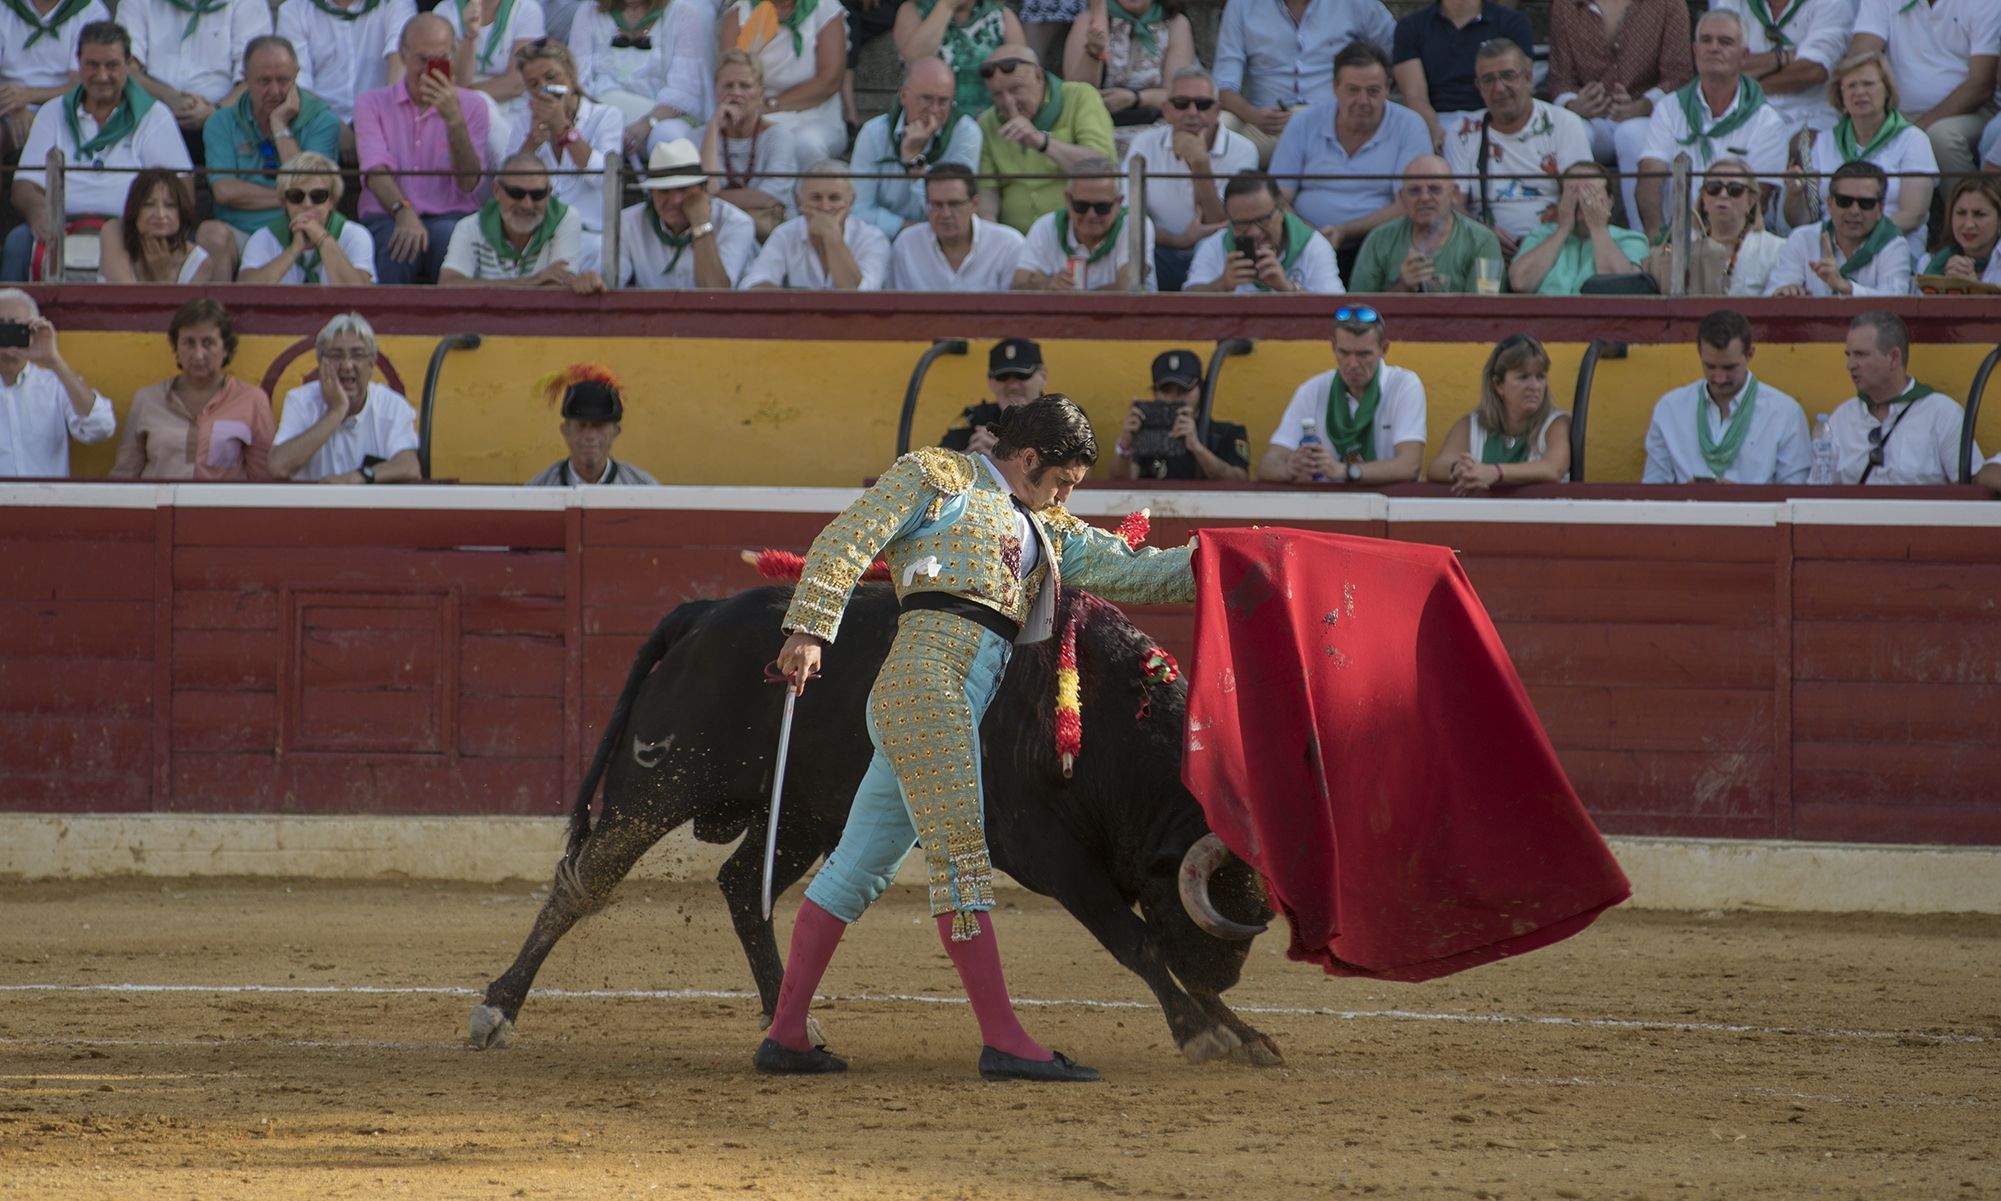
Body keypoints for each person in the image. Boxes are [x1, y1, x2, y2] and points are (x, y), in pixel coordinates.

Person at [761, 394, 1197, 1082]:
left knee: (856, 868)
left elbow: (1137, 570)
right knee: (961, 861)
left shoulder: (1047, 527)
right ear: (1029, 458)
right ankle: (1004, 1040)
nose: (1065, 496)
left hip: (947, 698)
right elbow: (849, 536)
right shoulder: (941, 477)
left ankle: (786, 1033)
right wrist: (810, 627)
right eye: (1061, 481)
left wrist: (1226, 560)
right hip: (927, 687)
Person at [4, 21, 194, 282]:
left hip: (132, 230)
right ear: (79, 63)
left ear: (128, 64)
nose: (102, 75)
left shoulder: (154, 115)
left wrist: (148, 222)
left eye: (112, 65)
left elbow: (182, 187)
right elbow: (24, 185)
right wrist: (39, 212)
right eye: (92, 65)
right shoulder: (52, 112)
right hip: (61, 226)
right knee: (17, 243)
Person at [1269, 40, 1430, 278]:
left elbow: (1408, 202)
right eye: (1353, 90)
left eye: (1373, 91)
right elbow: (1278, 197)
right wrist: (1310, 236)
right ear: (1335, 87)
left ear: (1388, 88)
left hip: (1381, 243)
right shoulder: (1303, 123)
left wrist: (1344, 231)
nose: (1363, 101)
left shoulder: (1410, 126)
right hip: (1303, 239)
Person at [355, 14, 489, 285]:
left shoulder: (473, 105)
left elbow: (469, 183)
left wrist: (454, 121)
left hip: (451, 215)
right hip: (389, 213)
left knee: (451, 239)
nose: (430, 70)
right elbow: (376, 171)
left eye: (440, 60)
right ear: (403, 54)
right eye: (423, 60)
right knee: (396, 246)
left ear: (453, 55)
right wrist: (402, 210)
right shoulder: (371, 103)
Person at [1634, 10, 1790, 241]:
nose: (1714, 48)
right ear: (1695, 51)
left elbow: (1759, 199)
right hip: (1675, 240)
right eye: (1706, 40)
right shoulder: (1669, 107)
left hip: (1738, 241)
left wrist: (1716, 246)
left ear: (1744, 56)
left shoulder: (1767, 121)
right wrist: (1656, 239)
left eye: (1725, 42)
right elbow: (1649, 179)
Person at [1545, 0, 1691, 225]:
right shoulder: (1566, 5)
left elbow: (1679, 76)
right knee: (1573, 129)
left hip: (1647, 118)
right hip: (1591, 120)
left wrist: (1644, 105)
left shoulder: (1669, 4)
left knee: (1631, 134)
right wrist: (1574, 104)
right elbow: (1559, 79)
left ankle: (1642, 238)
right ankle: (1581, 230)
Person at [1441, 36, 1592, 252]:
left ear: (1528, 77)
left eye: (1508, 76)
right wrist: (1483, 235)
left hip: (1556, 248)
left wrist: (1544, 243)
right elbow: (1454, 204)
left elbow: (1582, 197)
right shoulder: (1461, 132)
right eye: (1488, 80)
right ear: (1479, 87)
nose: (1499, 88)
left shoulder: (1564, 123)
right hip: (1483, 249)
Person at [1785, 50, 1936, 260]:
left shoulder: (1912, 140)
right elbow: (1803, 220)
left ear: (1887, 90)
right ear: (1841, 97)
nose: (1859, 92)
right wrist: (1794, 195)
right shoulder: (1824, 142)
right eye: (1851, 86)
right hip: (1831, 250)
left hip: (1891, 248)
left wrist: (1855, 238)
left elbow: (1914, 215)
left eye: (1868, 84)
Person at [1123, 67, 1258, 292]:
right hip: (1159, 249)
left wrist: (1200, 164)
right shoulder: (1144, 143)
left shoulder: (1243, 150)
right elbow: (1129, 216)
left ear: (1217, 110)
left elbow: (1222, 223)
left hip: (1216, 253)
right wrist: (1179, 240)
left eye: (1203, 104)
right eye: (1181, 104)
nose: (1192, 112)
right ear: (1166, 110)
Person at [202, 35, 344, 249]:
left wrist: (279, 126)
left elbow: (310, 189)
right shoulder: (220, 122)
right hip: (241, 234)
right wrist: (289, 198)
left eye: (283, 80)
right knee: (211, 234)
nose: (275, 91)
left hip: (301, 232)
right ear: (245, 79)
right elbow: (224, 191)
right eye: (264, 81)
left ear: (296, 75)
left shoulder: (322, 121)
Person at [1212, 0, 1394, 165]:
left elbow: (1397, 51)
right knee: (1216, 127)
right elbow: (1224, 85)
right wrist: (1253, 115)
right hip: (1266, 125)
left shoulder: (1357, 4)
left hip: (1334, 118)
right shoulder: (1242, 5)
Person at [1258, 306, 1425, 486]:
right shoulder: (1312, 389)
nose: (1352, 364)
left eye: (1363, 354)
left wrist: (1344, 471)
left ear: (1384, 349)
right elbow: (1268, 464)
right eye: (1344, 353)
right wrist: (1290, 469)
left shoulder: (1403, 385)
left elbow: (1410, 466)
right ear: (1333, 347)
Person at [111, 298, 274, 481]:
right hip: (158, 500)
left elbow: (264, 479)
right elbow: (125, 473)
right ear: (176, 349)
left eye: (208, 343)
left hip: (222, 500)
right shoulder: (147, 399)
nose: (198, 354)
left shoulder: (252, 400)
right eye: (189, 343)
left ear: (226, 349)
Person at [1641, 309, 1810, 485]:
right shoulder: (1669, 409)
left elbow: (1795, 493)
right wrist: (1684, 495)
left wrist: (1742, 497)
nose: (1719, 378)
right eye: (1710, 367)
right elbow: (1653, 488)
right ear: (1699, 352)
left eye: (1729, 368)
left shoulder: (1785, 414)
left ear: (1750, 354)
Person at [1847, 0, 1999, 183]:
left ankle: (1965, 199)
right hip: (1898, 111)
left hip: (1971, 112)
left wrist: (1914, 130)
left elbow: (1981, 84)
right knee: (1857, 124)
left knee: (1942, 137)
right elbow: (1861, 56)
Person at [1825, 309, 1978, 486]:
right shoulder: (1841, 418)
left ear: (1894, 357)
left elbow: (1969, 489)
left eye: (1860, 354)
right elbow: (1820, 492)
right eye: (1849, 355)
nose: (1850, 365)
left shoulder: (1942, 414)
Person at [975, 45, 1116, 233]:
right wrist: (992, 238)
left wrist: (1042, 142)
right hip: (1016, 240)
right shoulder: (987, 122)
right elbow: (987, 194)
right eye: (997, 94)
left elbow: (1103, 168)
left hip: (1074, 235)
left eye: (1015, 89)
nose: (1008, 102)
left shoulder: (1079, 97)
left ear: (1039, 76)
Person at [270, 313, 422, 484]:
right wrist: (336, 412)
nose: (347, 365)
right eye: (336, 356)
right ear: (321, 363)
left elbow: (409, 467)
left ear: (371, 364)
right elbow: (278, 466)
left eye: (357, 355)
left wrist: (357, 477)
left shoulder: (392, 405)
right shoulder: (300, 401)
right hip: (313, 501)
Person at [512, 38, 623, 273]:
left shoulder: (606, 116)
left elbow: (604, 179)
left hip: (590, 236)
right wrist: (532, 142)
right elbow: (507, 183)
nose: (544, 88)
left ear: (571, 74)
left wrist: (563, 128)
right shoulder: (524, 121)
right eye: (534, 84)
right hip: (537, 234)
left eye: (551, 77)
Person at [851, 57, 983, 239]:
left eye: (943, 101)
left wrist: (915, 161)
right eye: (926, 99)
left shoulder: (966, 133)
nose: (934, 110)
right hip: (882, 237)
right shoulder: (874, 133)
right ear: (904, 96)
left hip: (942, 239)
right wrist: (911, 232)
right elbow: (859, 209)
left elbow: (953, 206)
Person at [1425, 333, 1570, 495]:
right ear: (1498, 385)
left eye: (1540, 377)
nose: (1535, 386)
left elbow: (1552, 469)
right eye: (1523, 377)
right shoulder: (1471, 425)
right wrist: (1458, 469)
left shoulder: (1557, 423)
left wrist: (1495, 472)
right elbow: (1437, 467)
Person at [441, 150, 606, 289]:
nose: (527, 204)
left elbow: (557, 288)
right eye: (517, 193)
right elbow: (448, 284)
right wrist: (531, 281)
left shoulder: (565, 218)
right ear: (497, 190)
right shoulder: (470, 226)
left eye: (537, 194)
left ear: (549, 193)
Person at [0, 288, 115, 478]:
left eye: (16, 327)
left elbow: (100, 428)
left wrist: (54, 361)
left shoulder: (55, 384)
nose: (6, 335)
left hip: (47, 496)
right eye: (1, 327)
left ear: (32, 330)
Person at [1390, 0, 1533, 152]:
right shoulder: (1410, 27)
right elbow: (1415, 97)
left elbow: (1520, 83)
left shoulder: (1513, 23)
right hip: (1438, 120)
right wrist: (1436, 133)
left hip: (1493, 118)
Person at [717, 0, 847, 164]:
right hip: (755, 116)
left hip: (815, 115)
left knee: (805, 143)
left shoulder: (824, 7)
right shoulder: (740, 13)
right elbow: (728, 77)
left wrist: (770, 105)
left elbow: (829, 81)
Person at [1348, 154, 1501, 293]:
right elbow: (1358, 308)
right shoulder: (1378, 239)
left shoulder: (1482, 241)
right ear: (1401, 198)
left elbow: (1485, 308)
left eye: (1434, 189)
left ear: (1454, 194)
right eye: (1414, 191)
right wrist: (1402, 287)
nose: (1424, 197)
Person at [619, 137, 759, 288]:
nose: (675, 200)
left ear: (704, 189)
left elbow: (716, 294)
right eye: (664, 191)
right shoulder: (628, 222)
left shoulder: (736, 223)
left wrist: (700, 223)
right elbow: (611, 282)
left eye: (683, 189)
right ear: (652, 193)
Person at [122, 0, 270, 141]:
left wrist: (215, 112)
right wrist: (169, 97)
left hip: (227, 122)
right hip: (149, 117)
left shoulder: (248, 3)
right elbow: (124, 68)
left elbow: (257, 77)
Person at [1062, 0, 1195, 156]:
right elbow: (1075, 91)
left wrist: (1135, 98)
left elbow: (1179, 94)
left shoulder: (1176, 23)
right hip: (1101, 128)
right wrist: (1094, 53)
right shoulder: (1090, 19)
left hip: (1154, 127)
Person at [1706, 0, 1852, 137]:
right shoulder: (1733, 3)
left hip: (1810, 116)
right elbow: (1718, 64)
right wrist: (1783, 57)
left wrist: (1743, 87)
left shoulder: (1832, 3)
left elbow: (1813, 71)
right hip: (1744, 113)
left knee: (1806, 147)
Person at [1766, 159, 1910, 296]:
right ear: (1830, 204)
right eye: (1844, 201)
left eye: (1866, 203)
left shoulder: (1893, 244)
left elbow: (1896, 299)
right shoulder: (1803, 238)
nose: (1854, 211)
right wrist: (1787, 292)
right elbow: (1773, 291)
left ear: (1880, 209)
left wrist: (1845, 287)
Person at [740, 159, 893, 289]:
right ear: (799, 201)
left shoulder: (872, 239)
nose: (825, 207)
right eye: (816, 198)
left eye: (834, 198)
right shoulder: (785, 234)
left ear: (850, 201)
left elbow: (860, 298)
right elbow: (753, 285)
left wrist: (832, 237)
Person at [698, 50, 802, 240]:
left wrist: (713, 197)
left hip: (770, 234)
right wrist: (713, 128)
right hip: (716, 231)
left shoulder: (779, 136)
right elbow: (707, 187)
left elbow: (768, 197)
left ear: (761, 93)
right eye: (728, 85)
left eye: (745, 86)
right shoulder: (701, 136)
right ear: (716, 91)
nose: (736, 93)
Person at [1011, 153, 1155, 291]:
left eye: (1102, 207)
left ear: (1119, 203)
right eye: (1081, 206)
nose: (1091, 215)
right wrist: (1047, 286)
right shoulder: (1046, 226)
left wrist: (1069, 299)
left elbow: (1128, 290)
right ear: (1068, 200)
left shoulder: (1134, 225)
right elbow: (1017, 287)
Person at [1185, 170, 1343, 293]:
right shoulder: (1214, 246)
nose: (1254, 232)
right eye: (1242, 223)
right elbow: (1186, 301)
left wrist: (1287, 288)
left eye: (1262, 220)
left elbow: (1335, 310)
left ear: (1281, 210)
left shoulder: (1313, 246)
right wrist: (1221, 285)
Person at [1508, 161, 1649, 295]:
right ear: (1561, 200)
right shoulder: (1541, 234)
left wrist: (1598, 229)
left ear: (1609, 201)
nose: (1581, 200)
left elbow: (1622, 288)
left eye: (1591, 192)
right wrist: (1563, 229)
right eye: (1572, 192)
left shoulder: (1631, 239)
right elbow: (1520, 283)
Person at [238, 151, 378, 284]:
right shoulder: (264, 237)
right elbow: (245, 291)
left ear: (332, 201)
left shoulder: (354, 235)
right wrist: (294, 249)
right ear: (284, 202)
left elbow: (361, 293)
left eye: (318, 196)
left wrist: (322, 239)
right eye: (296, 196)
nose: (307, 204)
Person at [439, 0, 549, 167]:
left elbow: (516, 84)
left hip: (512, 110)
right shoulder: (445, 10)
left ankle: (508, 172)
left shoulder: (526, 9)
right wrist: (470, 36)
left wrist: (467, 96)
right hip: (459, 107)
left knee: (481, 103)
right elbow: (458, 80)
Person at [1111, 348, 1249, 481]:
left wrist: (1197, 448)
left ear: (1201, 389)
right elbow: (1121, 483)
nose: (1175, 397)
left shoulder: (1227, 433)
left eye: (1184, 389)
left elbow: (1239, 481)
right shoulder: (1146, 434)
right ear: (1154, 393)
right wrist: (1125, 445)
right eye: (1166, 390)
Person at [275, 0, 419, 125]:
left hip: (383, 120)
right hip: (320, 124)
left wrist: (373, 129)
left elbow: (401, 67)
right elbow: (300, 89)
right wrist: (341, 131)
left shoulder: (395, 4)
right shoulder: (294, 10)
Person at [0, 0, 111, 161]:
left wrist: (27, 96)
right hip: (7, 110)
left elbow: (82, 84)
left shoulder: (90, 10)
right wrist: (13, 105)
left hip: (67, 109)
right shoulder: (4, 7)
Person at [889, 161, 1024, 289]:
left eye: (954, 204)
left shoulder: (1008, 245)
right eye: (936, 205)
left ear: (974, 204)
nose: (946, 214)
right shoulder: (907, 245)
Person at [525, 363, 661, 484]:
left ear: (616, 431)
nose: (590, 436)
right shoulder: (536, 490)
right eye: (581, 425)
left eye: (599, 426)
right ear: (565, 430)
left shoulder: (645, 488)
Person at [891, 0, 1023, 123]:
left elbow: (1023, 77)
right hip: (930, 124)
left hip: (988, 125)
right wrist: (945, 6)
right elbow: (915, 61)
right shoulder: (913, 10)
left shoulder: (1001, 15)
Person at [97, 169, 230, 283]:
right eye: (149, 204)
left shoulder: (198, 262)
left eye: (170, 205)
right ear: (135, 210)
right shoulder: (114, 231)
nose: (161, 215)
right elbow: (124, 297)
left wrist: (163, 277)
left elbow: (184, 307)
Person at [1682, 157, 1787, 297]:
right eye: (1714, 188)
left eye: (1735, 189)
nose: (1723, 195)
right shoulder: (1685, 246)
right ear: (1703, 199)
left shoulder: (1775, 249)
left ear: (1751, 201)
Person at [941, 336, 1044, 453]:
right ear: (990, 381)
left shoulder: (1059, 421)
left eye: (1022, 376)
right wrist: (968, 458)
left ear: (1043, 376)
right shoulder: (976, 418)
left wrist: (1005, 457)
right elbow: (938, 460)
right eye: (1002, 377)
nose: (1012, 386)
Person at [1919, 174, 2001, 285]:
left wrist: (1973, 288)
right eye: (1961, 213)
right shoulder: (1928, 262)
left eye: (1979, 214)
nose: (1968, 224)